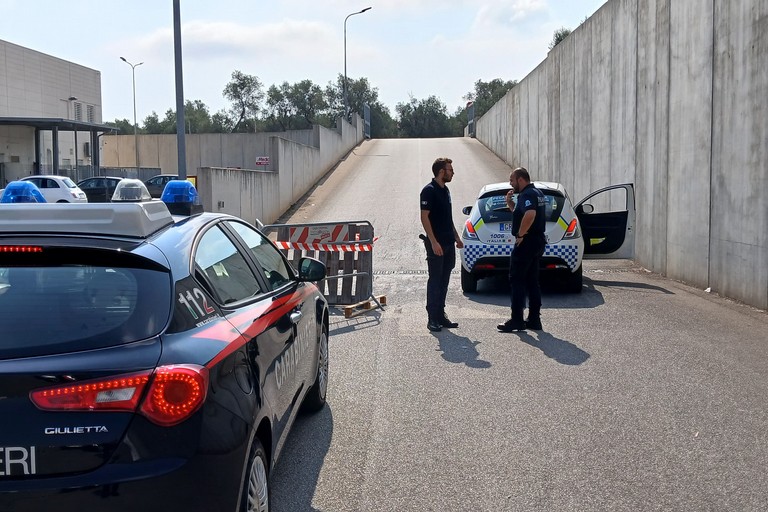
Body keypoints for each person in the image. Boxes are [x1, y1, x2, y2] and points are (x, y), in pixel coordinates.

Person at [498, 167, 547, 332]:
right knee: (533, 281)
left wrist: (520, 234)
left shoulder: (527, 194)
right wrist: (510, 204)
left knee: (517, 280)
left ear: (520, 179)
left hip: (527, 243)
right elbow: (522, 213)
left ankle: (517, 320)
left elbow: (530, 214)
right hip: (537, 241)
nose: (510, 184)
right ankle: (534, 319)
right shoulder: (537, 193)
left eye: (512, 180)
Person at [420, 157, 464, 332]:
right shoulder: (428, 191)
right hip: (436, 244)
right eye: (450, 169)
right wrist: (433, 241)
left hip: (448, 242)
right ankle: (432, 318)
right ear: (441, 171)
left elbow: (448, 218)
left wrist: (456, 237)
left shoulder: (446, 191)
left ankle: (440, 314)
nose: (452, 172)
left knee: (445, 280)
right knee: (435, 280)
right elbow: (424, 217)